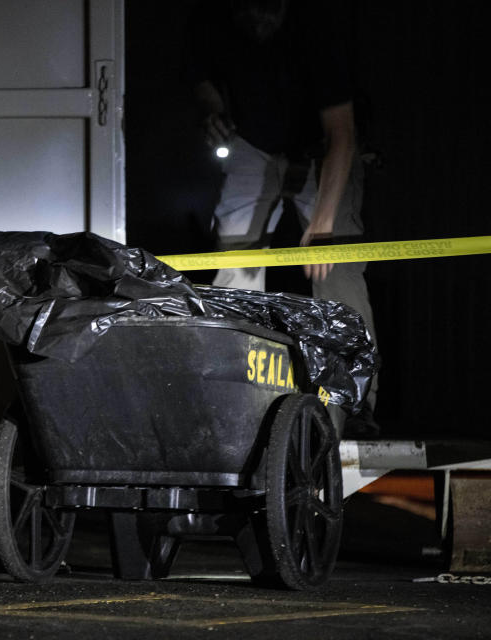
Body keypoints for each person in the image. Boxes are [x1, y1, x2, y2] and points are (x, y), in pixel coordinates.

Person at [186, 0, 379, 432]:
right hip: (254, 143)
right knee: (234, 264)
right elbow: (202, 80)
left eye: (268, 10)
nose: (258, 19)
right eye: (249, 11)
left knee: (337, 271)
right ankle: (232, 396)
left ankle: (355, 403)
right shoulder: (211, 21)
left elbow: (342, 137)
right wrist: (213, 112)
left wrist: (323, 224)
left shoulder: (317, 32)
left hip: (322, 150)